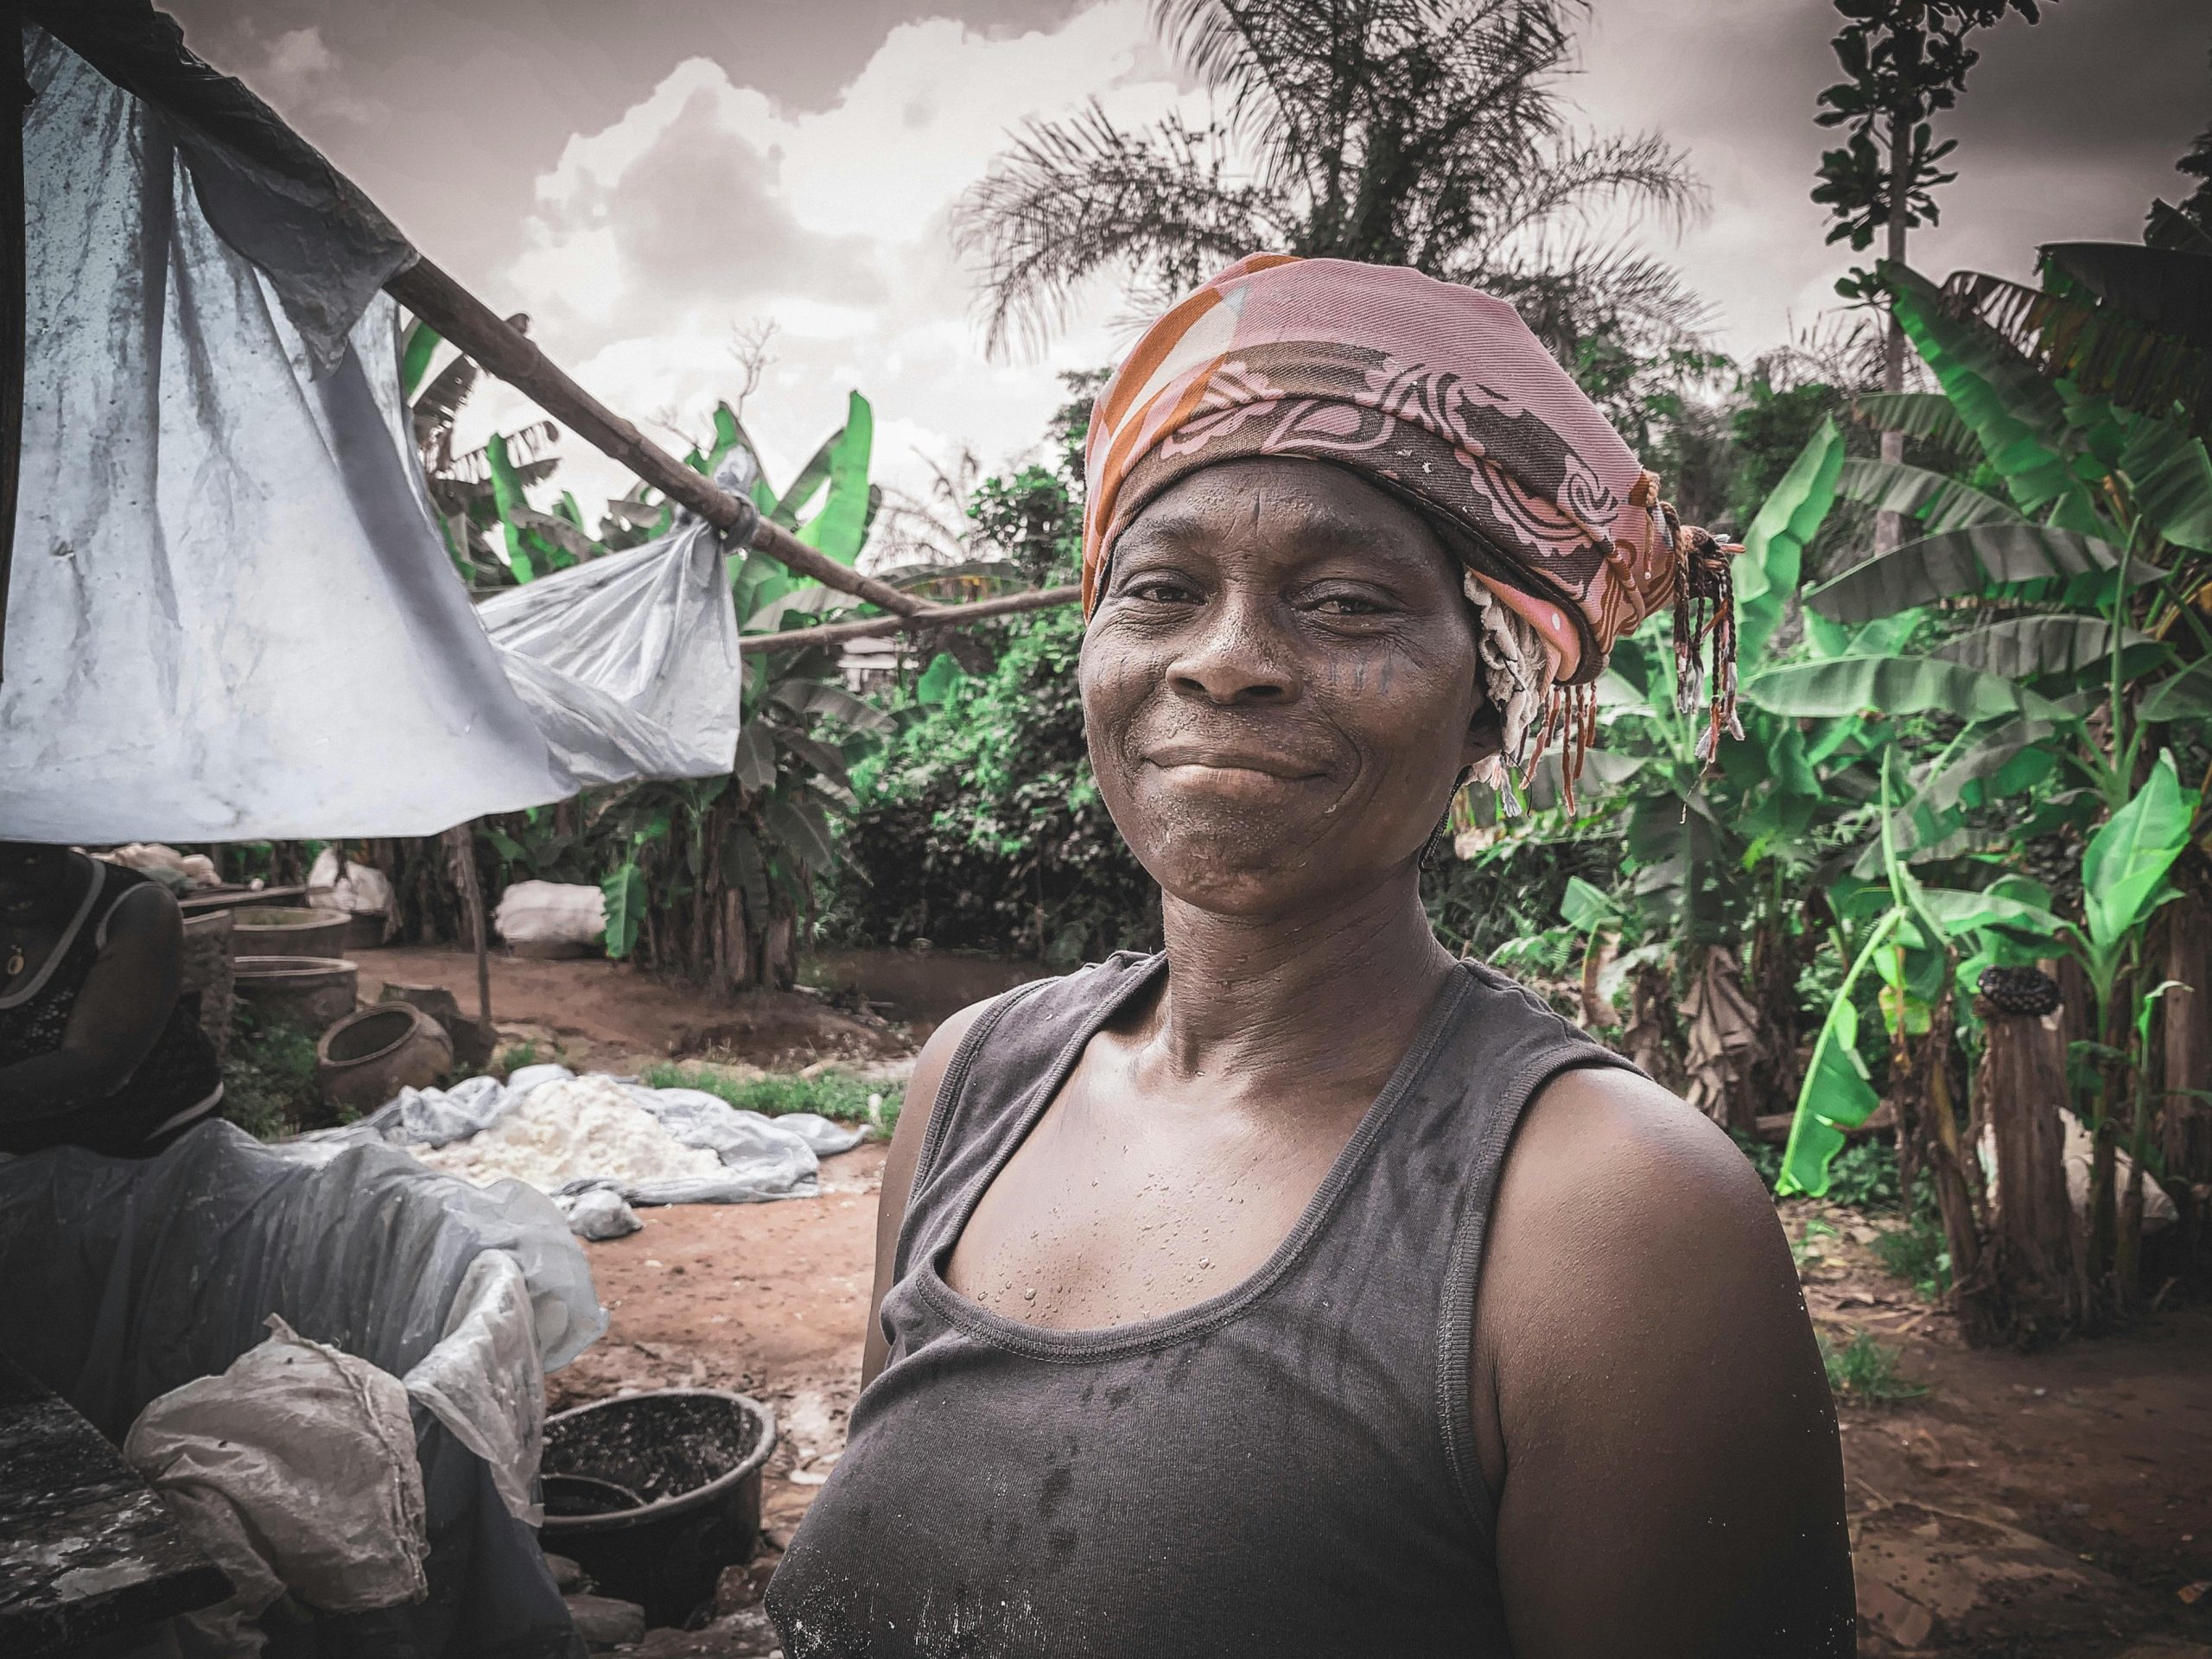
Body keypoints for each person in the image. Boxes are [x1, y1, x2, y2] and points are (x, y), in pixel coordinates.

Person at [768, 256, 1853, 1656]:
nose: (1226, 661)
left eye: (1346, 604)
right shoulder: (969, 1083)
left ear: (1488, 706)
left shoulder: (1614, 1220)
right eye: (1158, 590)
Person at [0, 841, 225, 1156]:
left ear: (59, 843)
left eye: (29, 860)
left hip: (151, 1150)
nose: (7, 885)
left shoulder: (138, 908)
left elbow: (93, 1069)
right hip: (31, 1152)